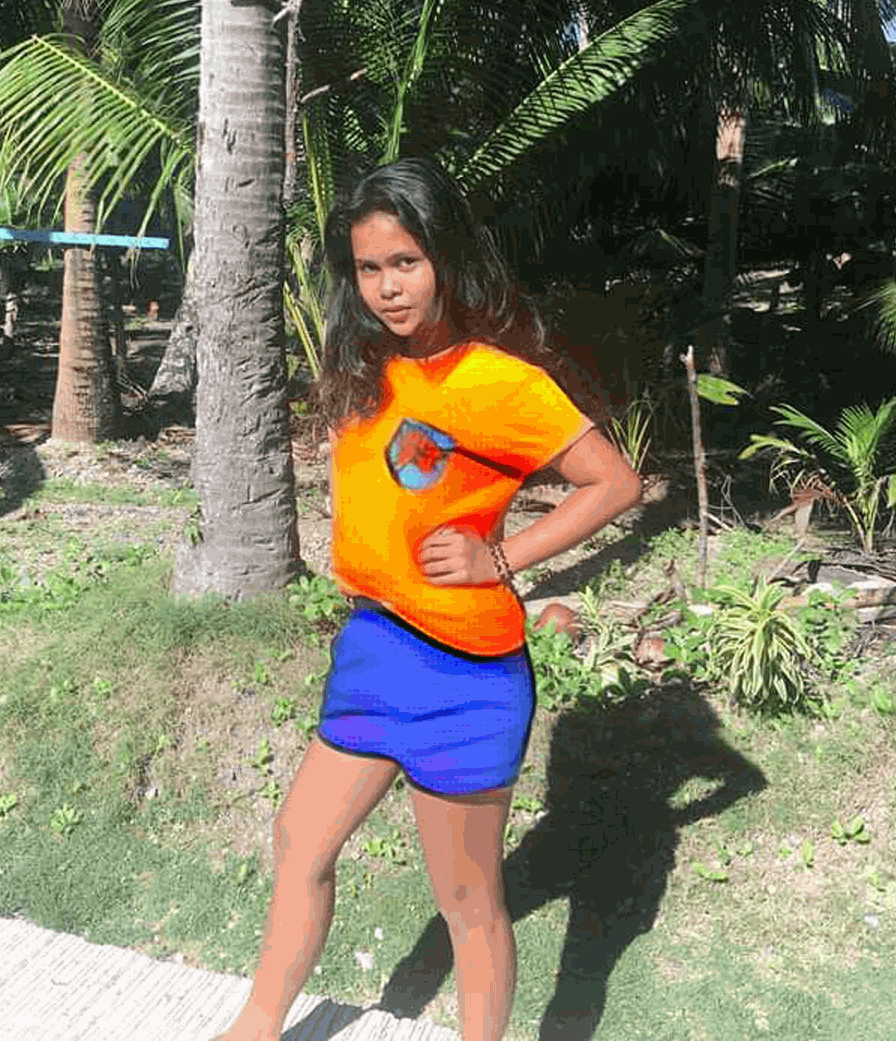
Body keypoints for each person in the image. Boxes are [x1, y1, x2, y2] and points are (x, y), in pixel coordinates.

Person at [215, 158, 641, 1041]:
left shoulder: (499, 382)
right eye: (369, 268)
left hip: (466, 678)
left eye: (406, 262)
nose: (388, 287)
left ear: (445, 257)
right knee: (301, 842)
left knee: (468, 901)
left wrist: (502, 556)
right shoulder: (360, 368)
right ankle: (256, 1024)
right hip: (374, 653)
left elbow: (615, 482)